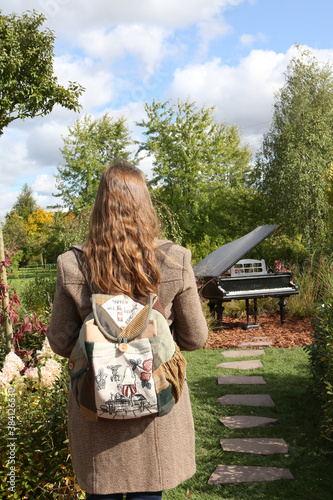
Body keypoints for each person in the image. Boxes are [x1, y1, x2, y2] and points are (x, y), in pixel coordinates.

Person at [46, 158, 208, 500]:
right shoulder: (175, 260)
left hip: (97, 414)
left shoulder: (72, 263)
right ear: (146, 206)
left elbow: (60, 342)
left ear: (99, 208)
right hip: (156, 415)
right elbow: (195, 338)